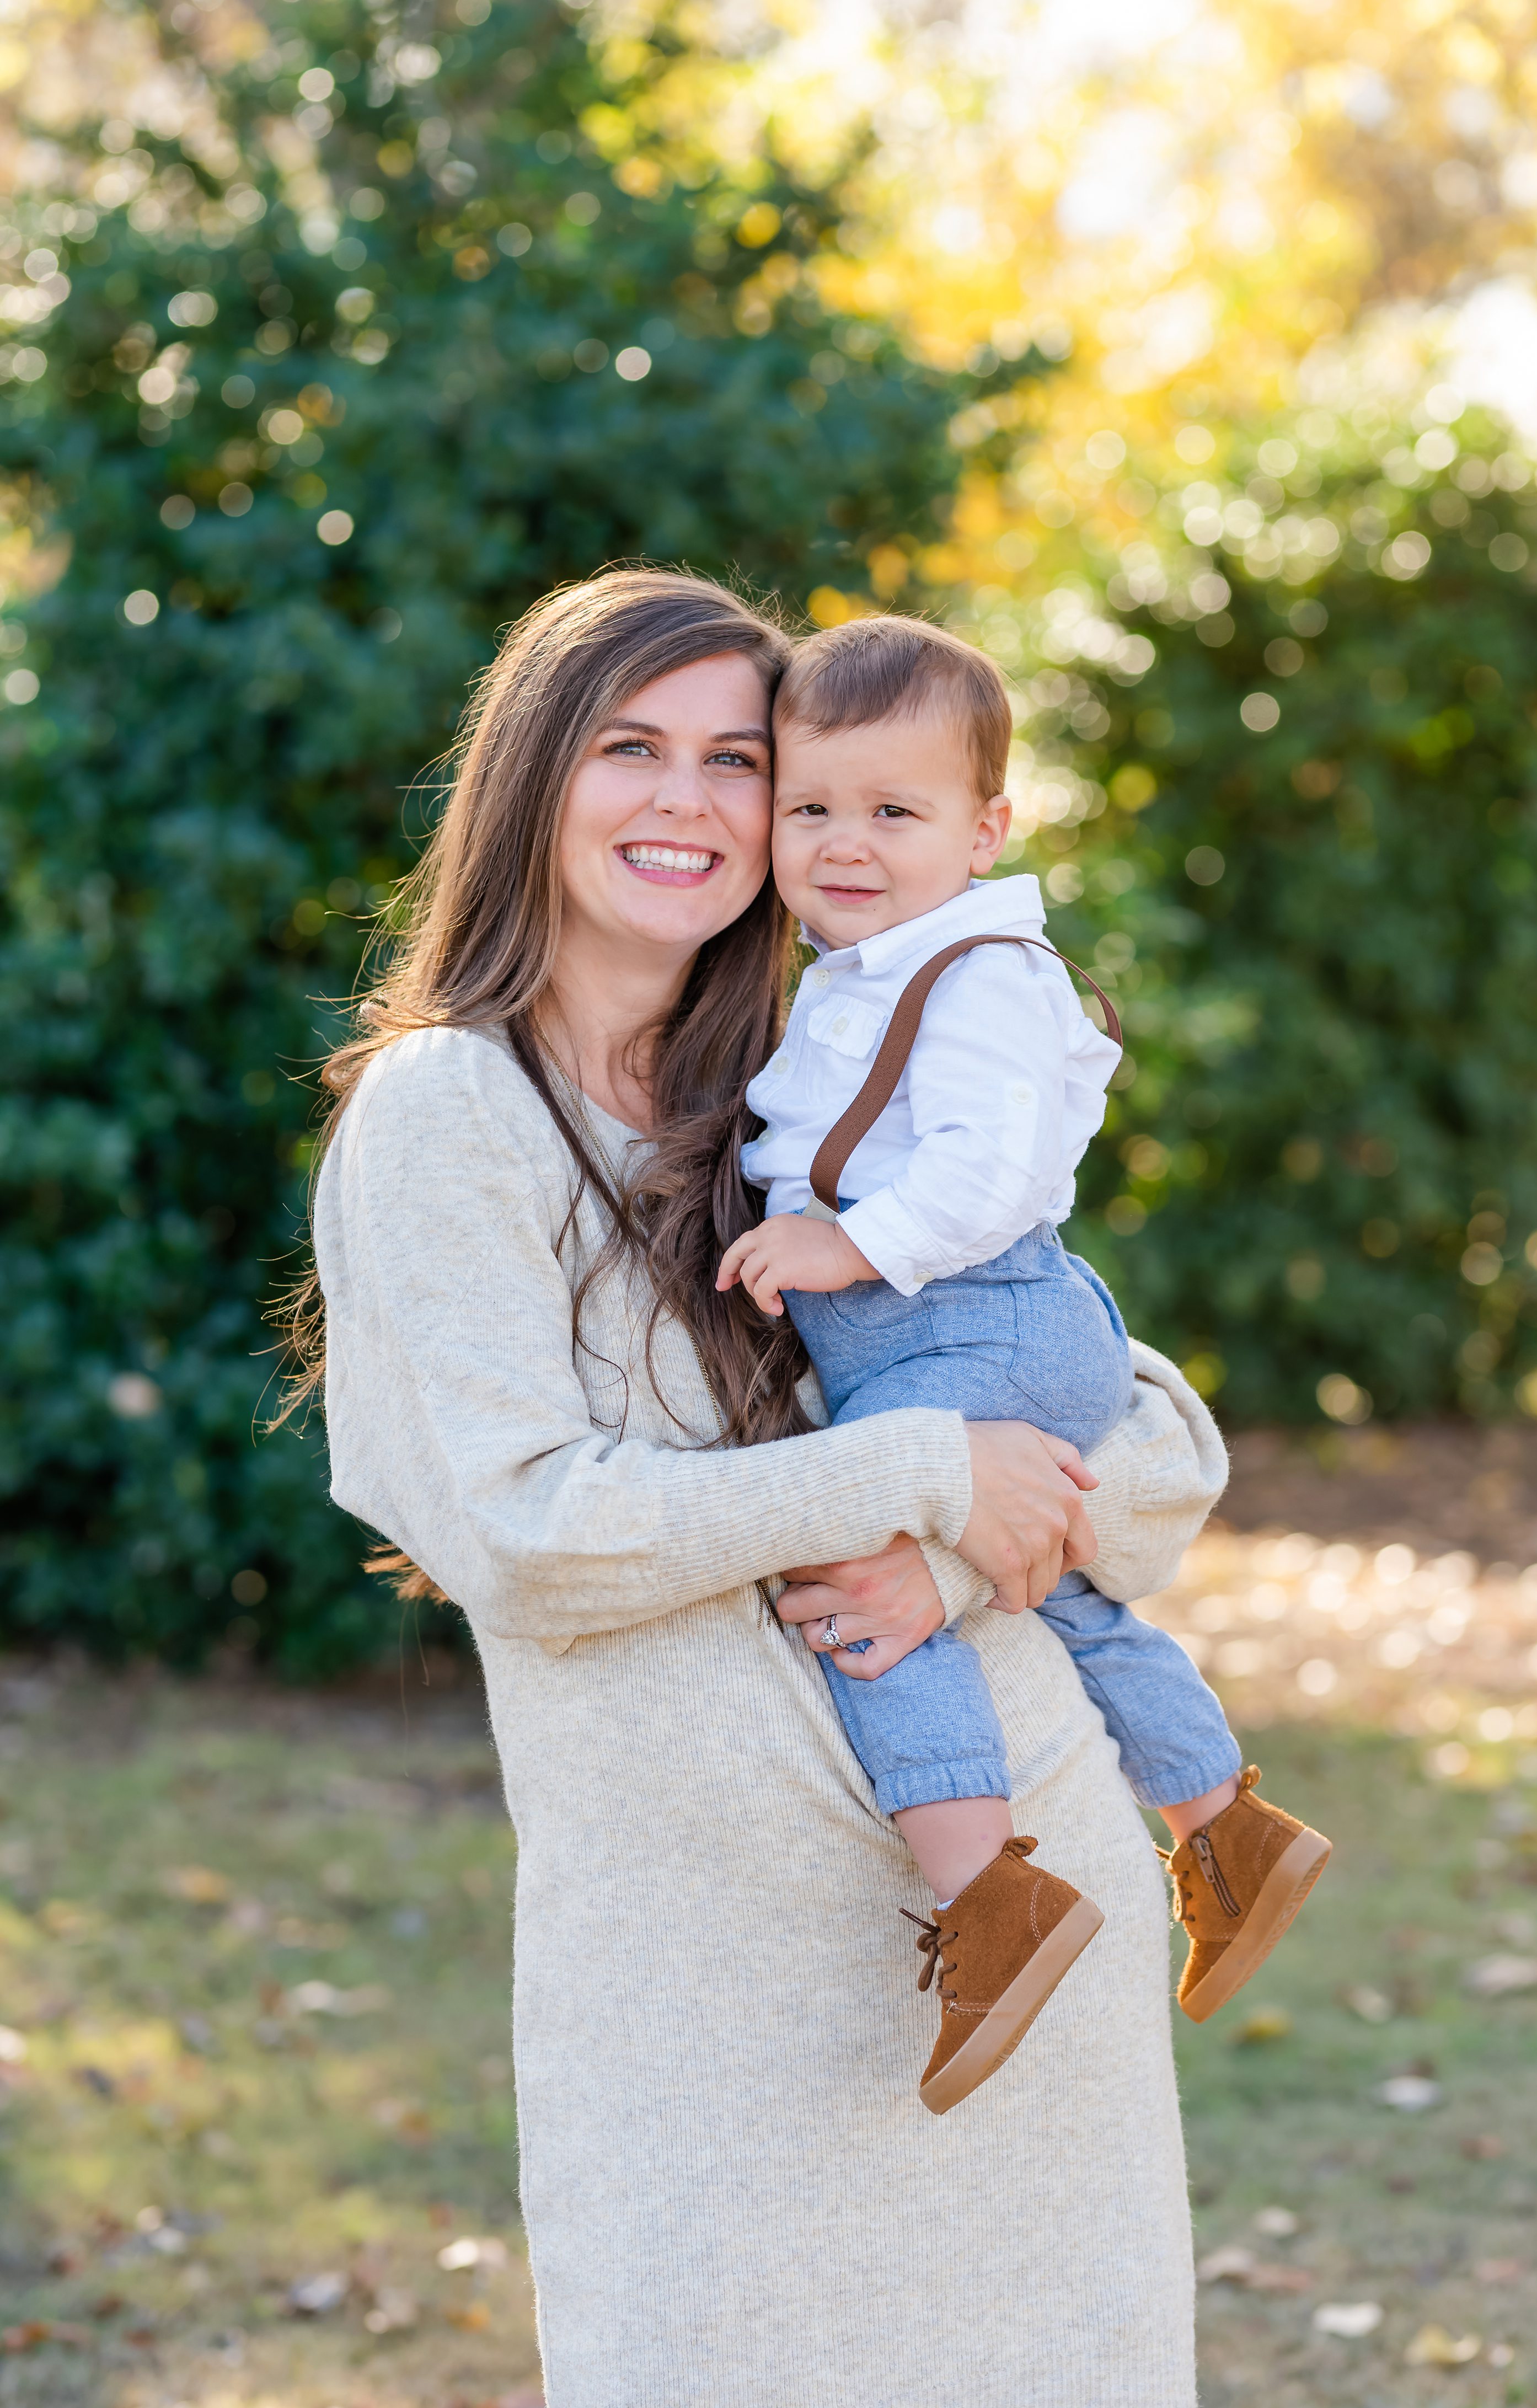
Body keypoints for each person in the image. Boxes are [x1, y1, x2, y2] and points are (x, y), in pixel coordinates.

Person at [296, 568, 1226, 2407]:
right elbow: (529, 1535)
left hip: (1024, 1921)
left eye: (742, 759)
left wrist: (951, 1553)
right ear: (531, 779)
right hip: (709, 1990)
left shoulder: (821, 1104)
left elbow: (1155, 1448)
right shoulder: (446, 1116)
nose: (694, 802)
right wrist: (918, 1476)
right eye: (631, 748)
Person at [717, 616, 1330, 2113]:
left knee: (868, 1595)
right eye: (811, 807)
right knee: (1069, 1590)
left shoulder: (980, 967)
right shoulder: (861, 968)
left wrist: (842, 1249)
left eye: (894, 812)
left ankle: (994, 1900)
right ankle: (1225, 1830)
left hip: (968, 1312)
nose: (844, 844)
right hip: (964, 1323)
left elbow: (991, 1176)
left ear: (986, 829)